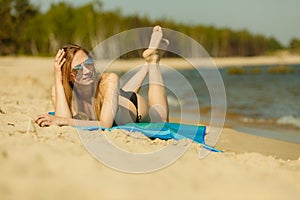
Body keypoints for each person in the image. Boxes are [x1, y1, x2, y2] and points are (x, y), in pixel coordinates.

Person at [35, 26, 169, 128]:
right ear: (68, 76)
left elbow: (105, 124)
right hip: (117, 100)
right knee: (115, 93)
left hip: (135, 107)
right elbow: (61, 119)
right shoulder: (59, 90)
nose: (87, 71)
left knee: (162, 120)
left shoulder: (110, 79)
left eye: (88, 63)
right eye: (78, 69)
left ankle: (153, 61)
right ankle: (147, 62)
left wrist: (64, 121)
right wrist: (58, 79)